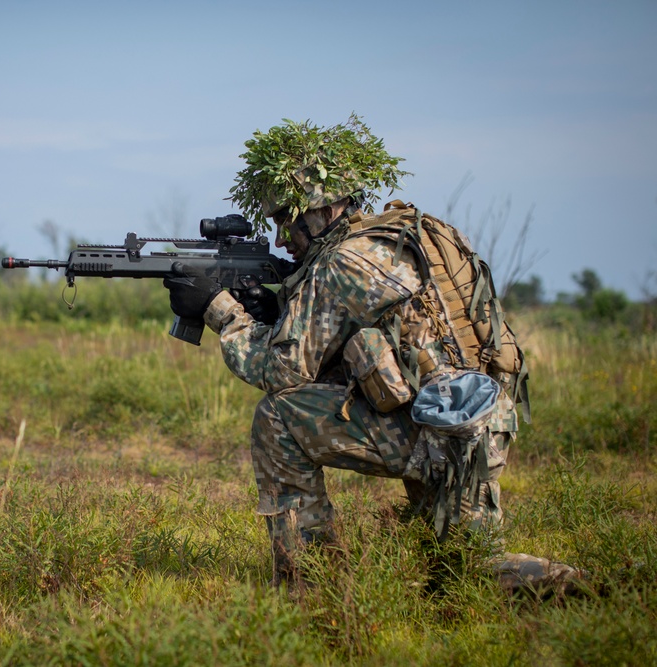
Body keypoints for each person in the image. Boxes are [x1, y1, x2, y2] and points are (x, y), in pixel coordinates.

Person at [163, 116, 584, 594]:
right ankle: (576, 586)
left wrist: (221, 312)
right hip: (476, 425)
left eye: (286, 219)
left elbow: (283, 370)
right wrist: (278, 310)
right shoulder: (402, 234)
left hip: (439, 437)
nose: (281, 239)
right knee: (459, 572)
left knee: (278, 417)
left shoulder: (342, 263)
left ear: (318, 210)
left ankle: (310, 583)